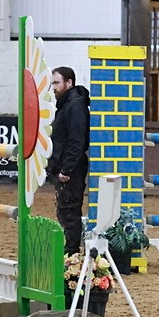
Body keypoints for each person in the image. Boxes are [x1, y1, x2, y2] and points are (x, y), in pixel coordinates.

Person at [49, 66, 90, 256]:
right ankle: (71, 253)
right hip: (67, 167)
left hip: (70, 170)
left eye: (56, 83)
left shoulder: (74, 106)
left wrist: (66, 169)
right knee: (66, 211)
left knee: (69, 212)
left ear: (69, 82)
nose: (54, 87)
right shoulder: (69, 104)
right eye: (52, 83)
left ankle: (72, 255)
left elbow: (76, 140)